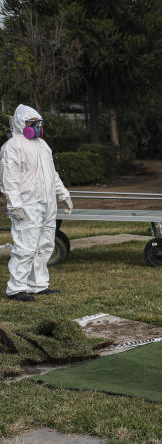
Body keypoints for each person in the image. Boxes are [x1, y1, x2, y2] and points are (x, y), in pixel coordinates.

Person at [1, 104, 72, 302]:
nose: (37, 127)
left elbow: (53, 174)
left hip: (47, 203)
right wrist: (14, 205)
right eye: (32, 124)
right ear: (21, 124)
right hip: (27, 204)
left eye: (39, 123)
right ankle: (16, 288)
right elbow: (10, 180)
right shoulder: (12, 147)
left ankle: (38, 284)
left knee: (45, 245)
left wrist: (63, 195)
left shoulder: (43, 145)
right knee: (26, 247)